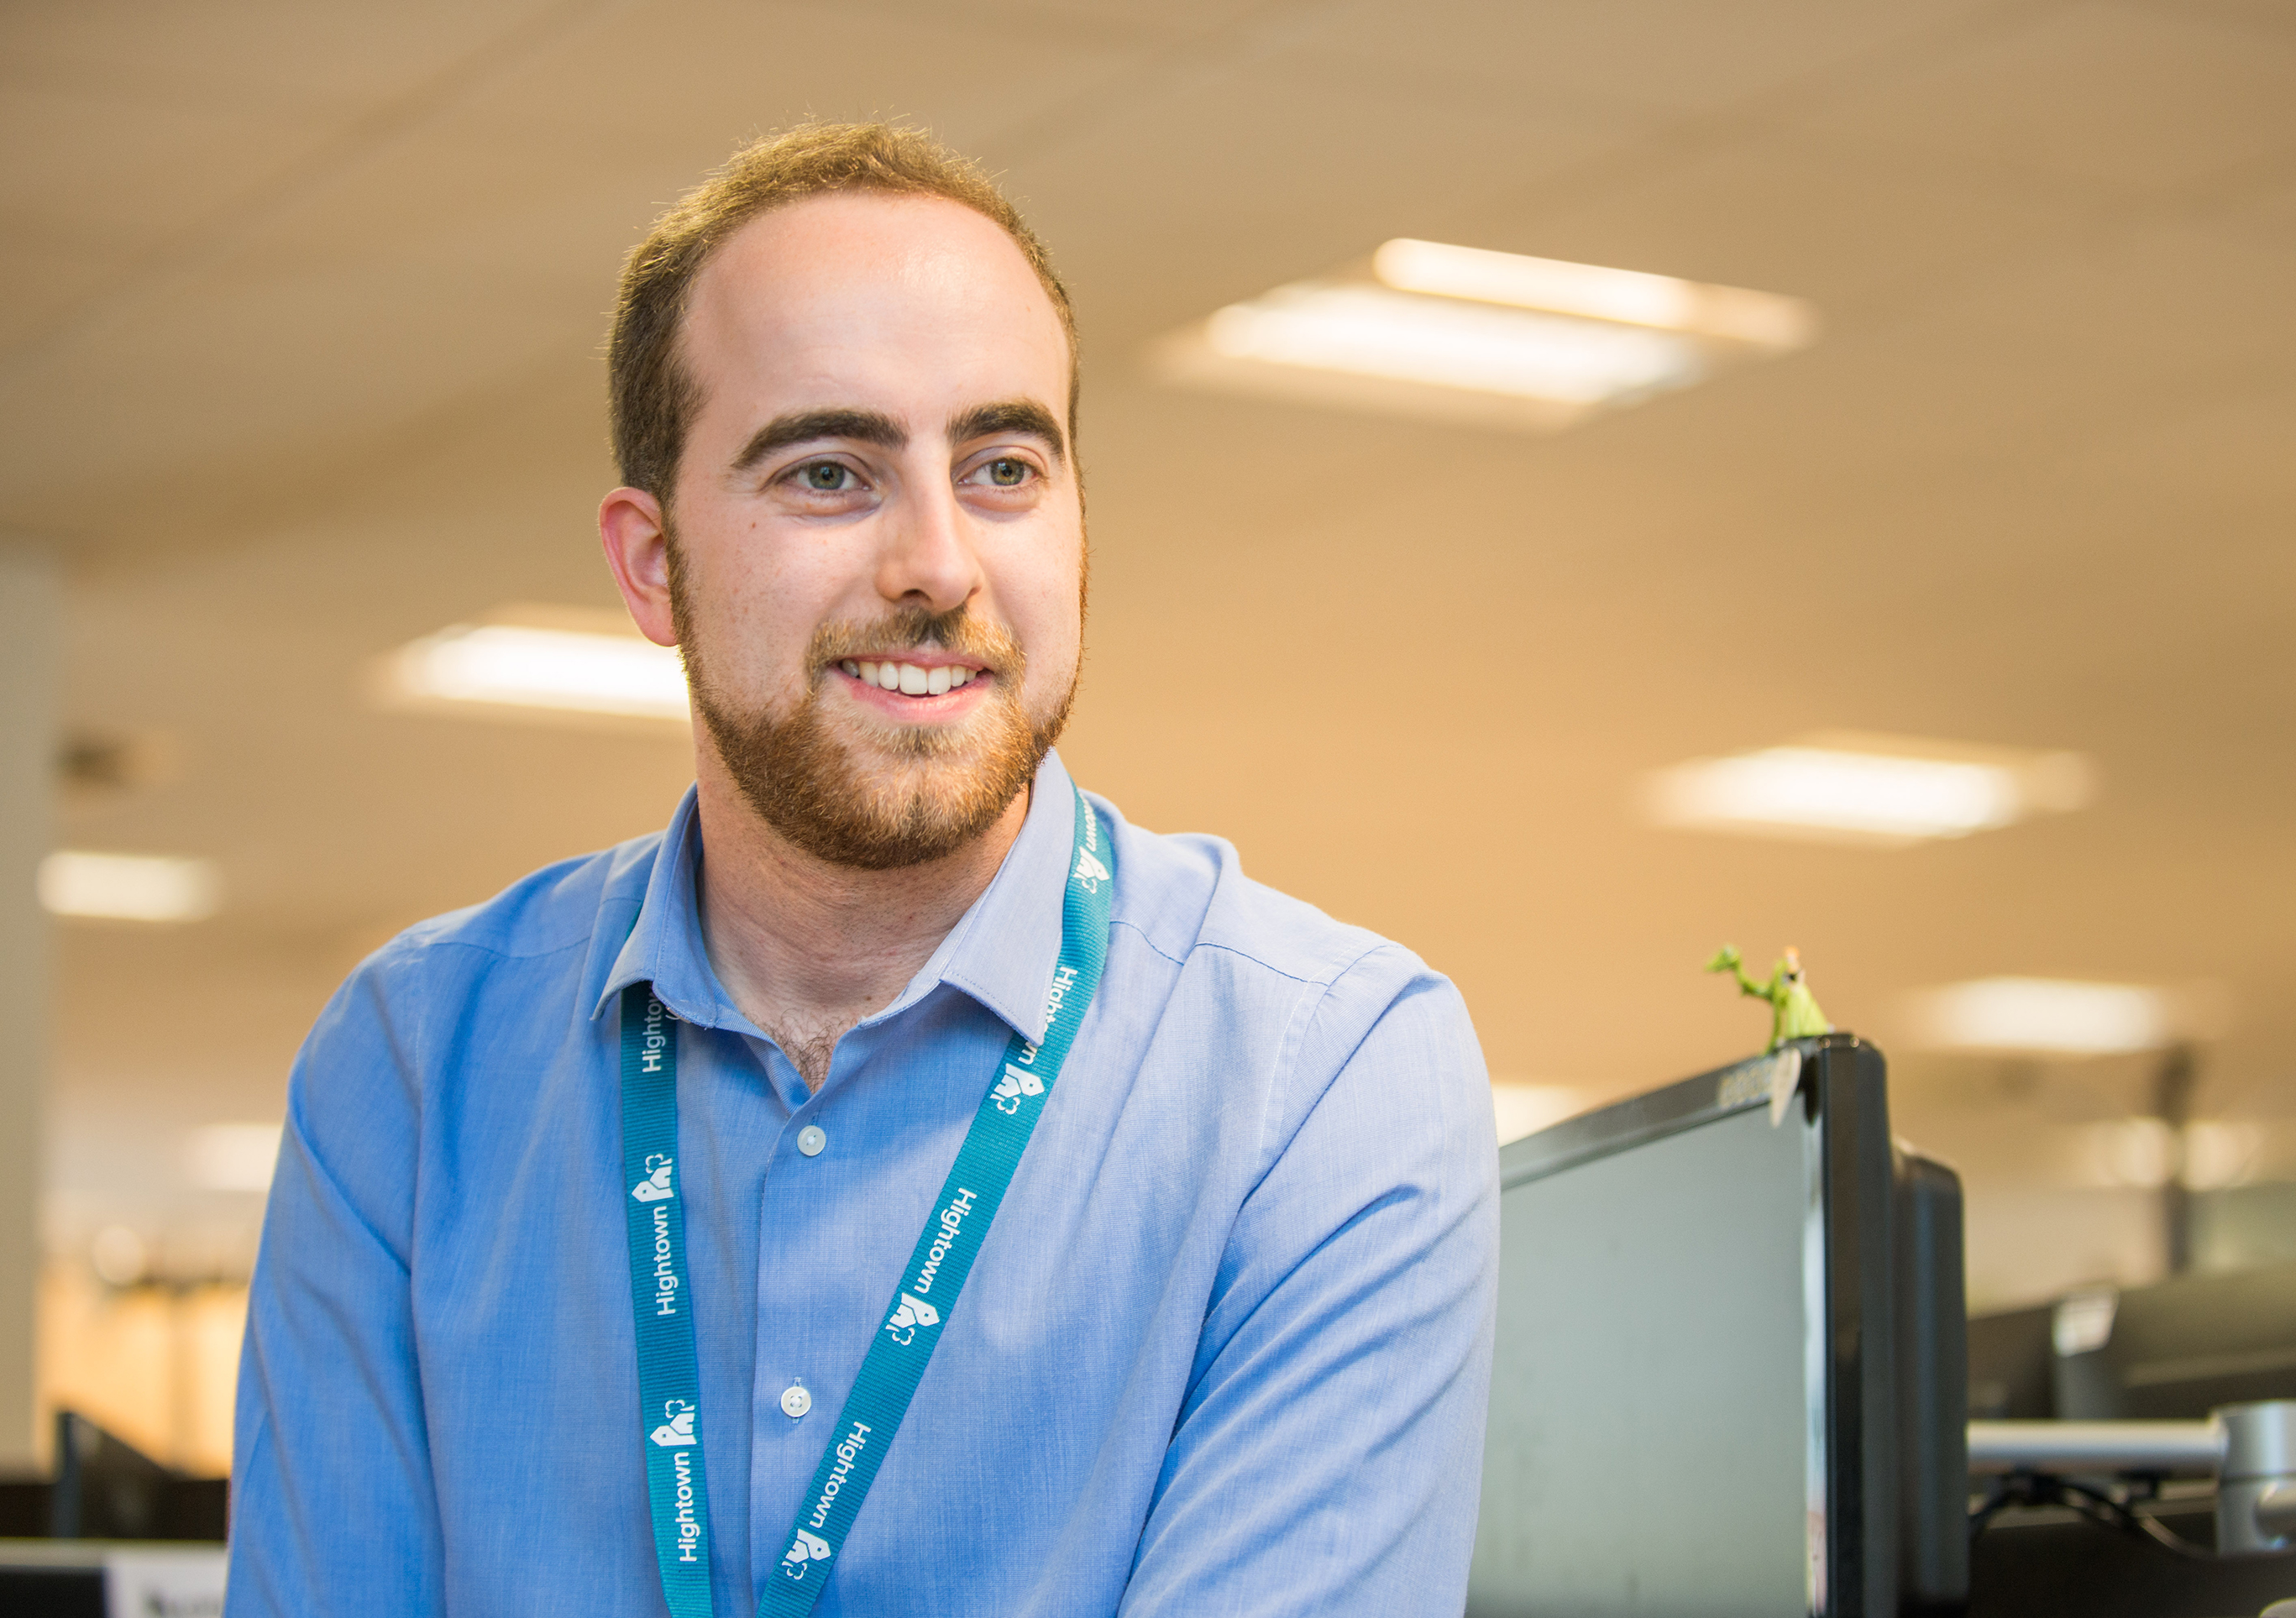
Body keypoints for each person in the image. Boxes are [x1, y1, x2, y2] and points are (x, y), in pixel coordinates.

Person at [228, 121, 1498, 1616]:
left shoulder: (1325, 1077)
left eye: (1005, 465)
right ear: (651, 565)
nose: (939, 564)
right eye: (830, 472)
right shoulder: (411, 1070)